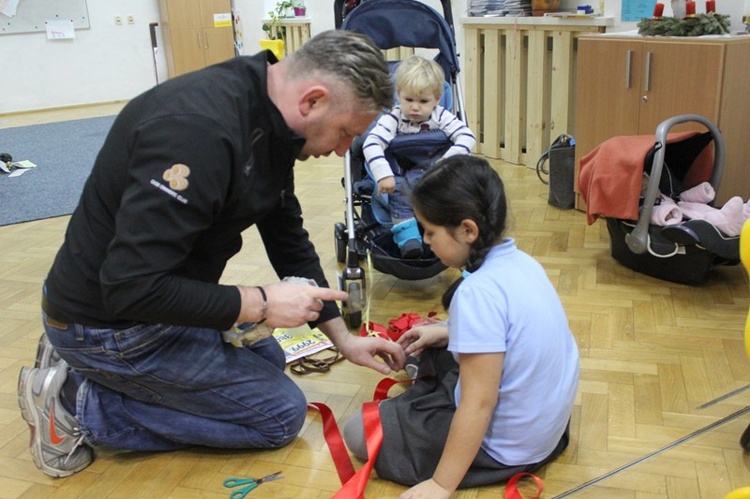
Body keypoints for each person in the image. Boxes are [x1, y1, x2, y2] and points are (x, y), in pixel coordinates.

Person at [16, 29, 406, 479]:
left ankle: (92, 373)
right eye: (345, 133)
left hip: (146, 304)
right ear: (313, 101)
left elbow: (287, 236)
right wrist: (260, 301)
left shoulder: (268, 106)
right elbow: (128, 288)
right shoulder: (197, 134)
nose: (342, 150)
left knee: (270, 360)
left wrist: (344, 338)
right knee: (277, 415)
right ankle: (73, 404)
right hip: (109, 324)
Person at [343, 156, 579, 498]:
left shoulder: (476, 294)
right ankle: (429, 393)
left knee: (357, 432)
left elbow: (479, 404)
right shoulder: (523, 262)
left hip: (506, 450)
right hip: (546, 430)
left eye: (430, 231)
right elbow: (514, 337)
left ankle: (429, 425)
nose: (425, 241)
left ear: (468, 230)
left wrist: (441, 485)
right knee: (437, 346)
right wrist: (447, 332)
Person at [362, 54, 476, 259]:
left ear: (437, 99)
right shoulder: (393, 118)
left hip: (432, 172)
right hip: (398, 173)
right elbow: (372, 143)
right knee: (398, 190)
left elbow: (467, 137)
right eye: (408, 100)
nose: (415, 107)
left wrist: (447, 161)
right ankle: (408, 239)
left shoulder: (440, 115)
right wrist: (383, 174)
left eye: (423, 101)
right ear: (398, 95)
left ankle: (447, 235)